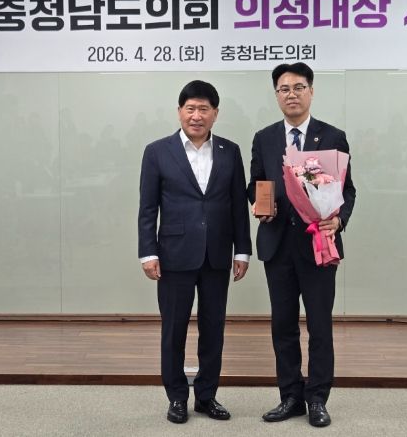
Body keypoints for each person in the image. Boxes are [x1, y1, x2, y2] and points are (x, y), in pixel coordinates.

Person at [248, 63, 356, 428]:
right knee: (283, 326)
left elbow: (348, 190)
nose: (291, 94)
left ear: (311, 91)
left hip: (318, 243)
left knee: (320, 326)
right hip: (278, 245)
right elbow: (255, 184)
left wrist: (338, 220)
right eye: (284, 89)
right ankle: (290, 396)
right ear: (276, 95)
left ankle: (317, 398)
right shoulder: (264, 138)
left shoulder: (333, 136)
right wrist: (261, 205)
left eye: (298, 87)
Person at [138, 80, 252, 424]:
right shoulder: (157, 151)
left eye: (204, 109)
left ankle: (206, 396)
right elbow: (148, 208)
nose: (196, 116)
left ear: (215, 113)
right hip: (174, 254)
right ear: (179, 112)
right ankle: (176, 396)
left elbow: (237, 206)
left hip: (217, 254)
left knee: (213, 328)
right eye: (190, 109)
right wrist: (148, 252)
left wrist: (242, 251)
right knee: (173, 330)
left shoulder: (230, 151)